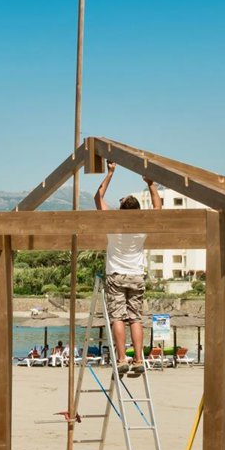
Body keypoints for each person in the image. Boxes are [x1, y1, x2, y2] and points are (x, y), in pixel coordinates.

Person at [95, 161, 161, 377]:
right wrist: (150, 184)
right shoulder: (143, 226)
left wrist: (110, 173)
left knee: (117, 318)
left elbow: (98, 198)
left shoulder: (113, 224)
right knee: (135, 318)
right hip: (136, 276)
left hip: (116, 275)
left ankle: (122, 358)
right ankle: (139, 359)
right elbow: (158, 209)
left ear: (121, 210)